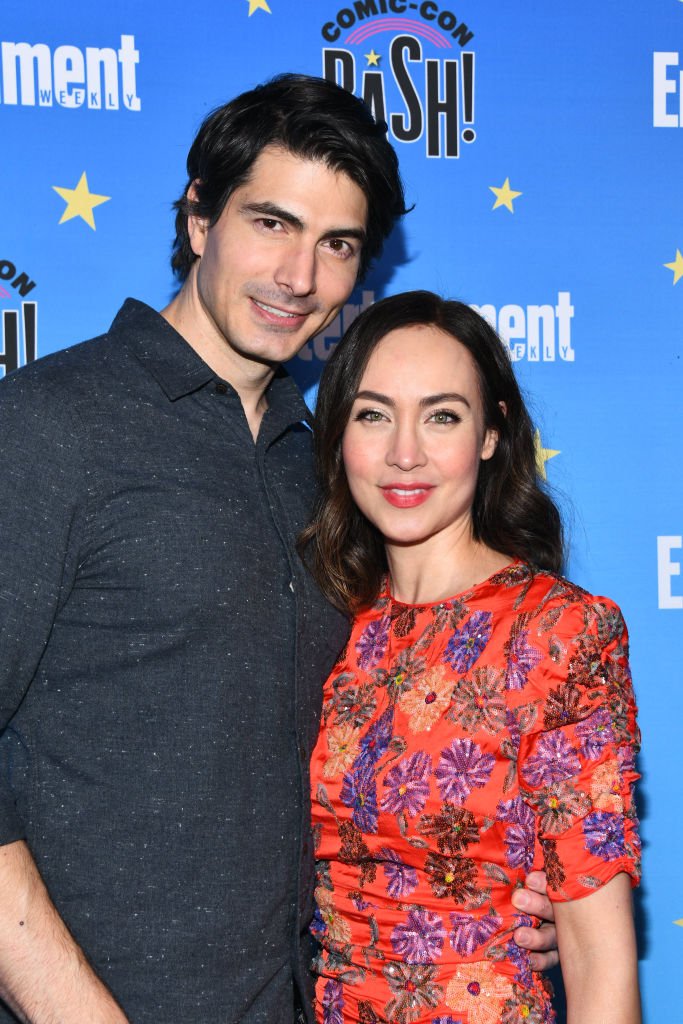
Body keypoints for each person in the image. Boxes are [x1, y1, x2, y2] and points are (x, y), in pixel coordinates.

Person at [0, 77, 556, 1024]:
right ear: (198, 219)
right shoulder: (48, 428)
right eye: (270, 223)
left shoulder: (341, 469)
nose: (299, 276)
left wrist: (485, 885)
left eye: (336, 244)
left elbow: (406, 731)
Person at [302, 291, 641, 1023]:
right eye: (372, 413)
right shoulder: (323, 623)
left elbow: (595, 953)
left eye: (442, 416)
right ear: (337, 435)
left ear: (491, 434)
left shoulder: (559, 632)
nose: (404, 452)